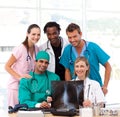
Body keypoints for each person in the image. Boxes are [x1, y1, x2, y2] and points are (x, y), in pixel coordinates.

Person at [60, 23, 112, 95]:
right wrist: (70, 88)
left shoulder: (93, 47)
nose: (72, 40)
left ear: (80, 34)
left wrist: (105, 86)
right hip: (77, 90)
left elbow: (108, 66)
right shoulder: (67, 50)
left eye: (75, 36)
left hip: (96, 88)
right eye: (69, 37)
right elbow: (67, 71)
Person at [5, 24, 41, 108]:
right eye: (33, 34)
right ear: (27, 34)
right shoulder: (20, 48)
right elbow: (7, 66)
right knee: (14, 112)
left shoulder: (37, 49)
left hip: (27, 87)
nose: (36, 37)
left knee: (24, 112)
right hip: (15, 87)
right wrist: (19, 77)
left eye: (38, 34)